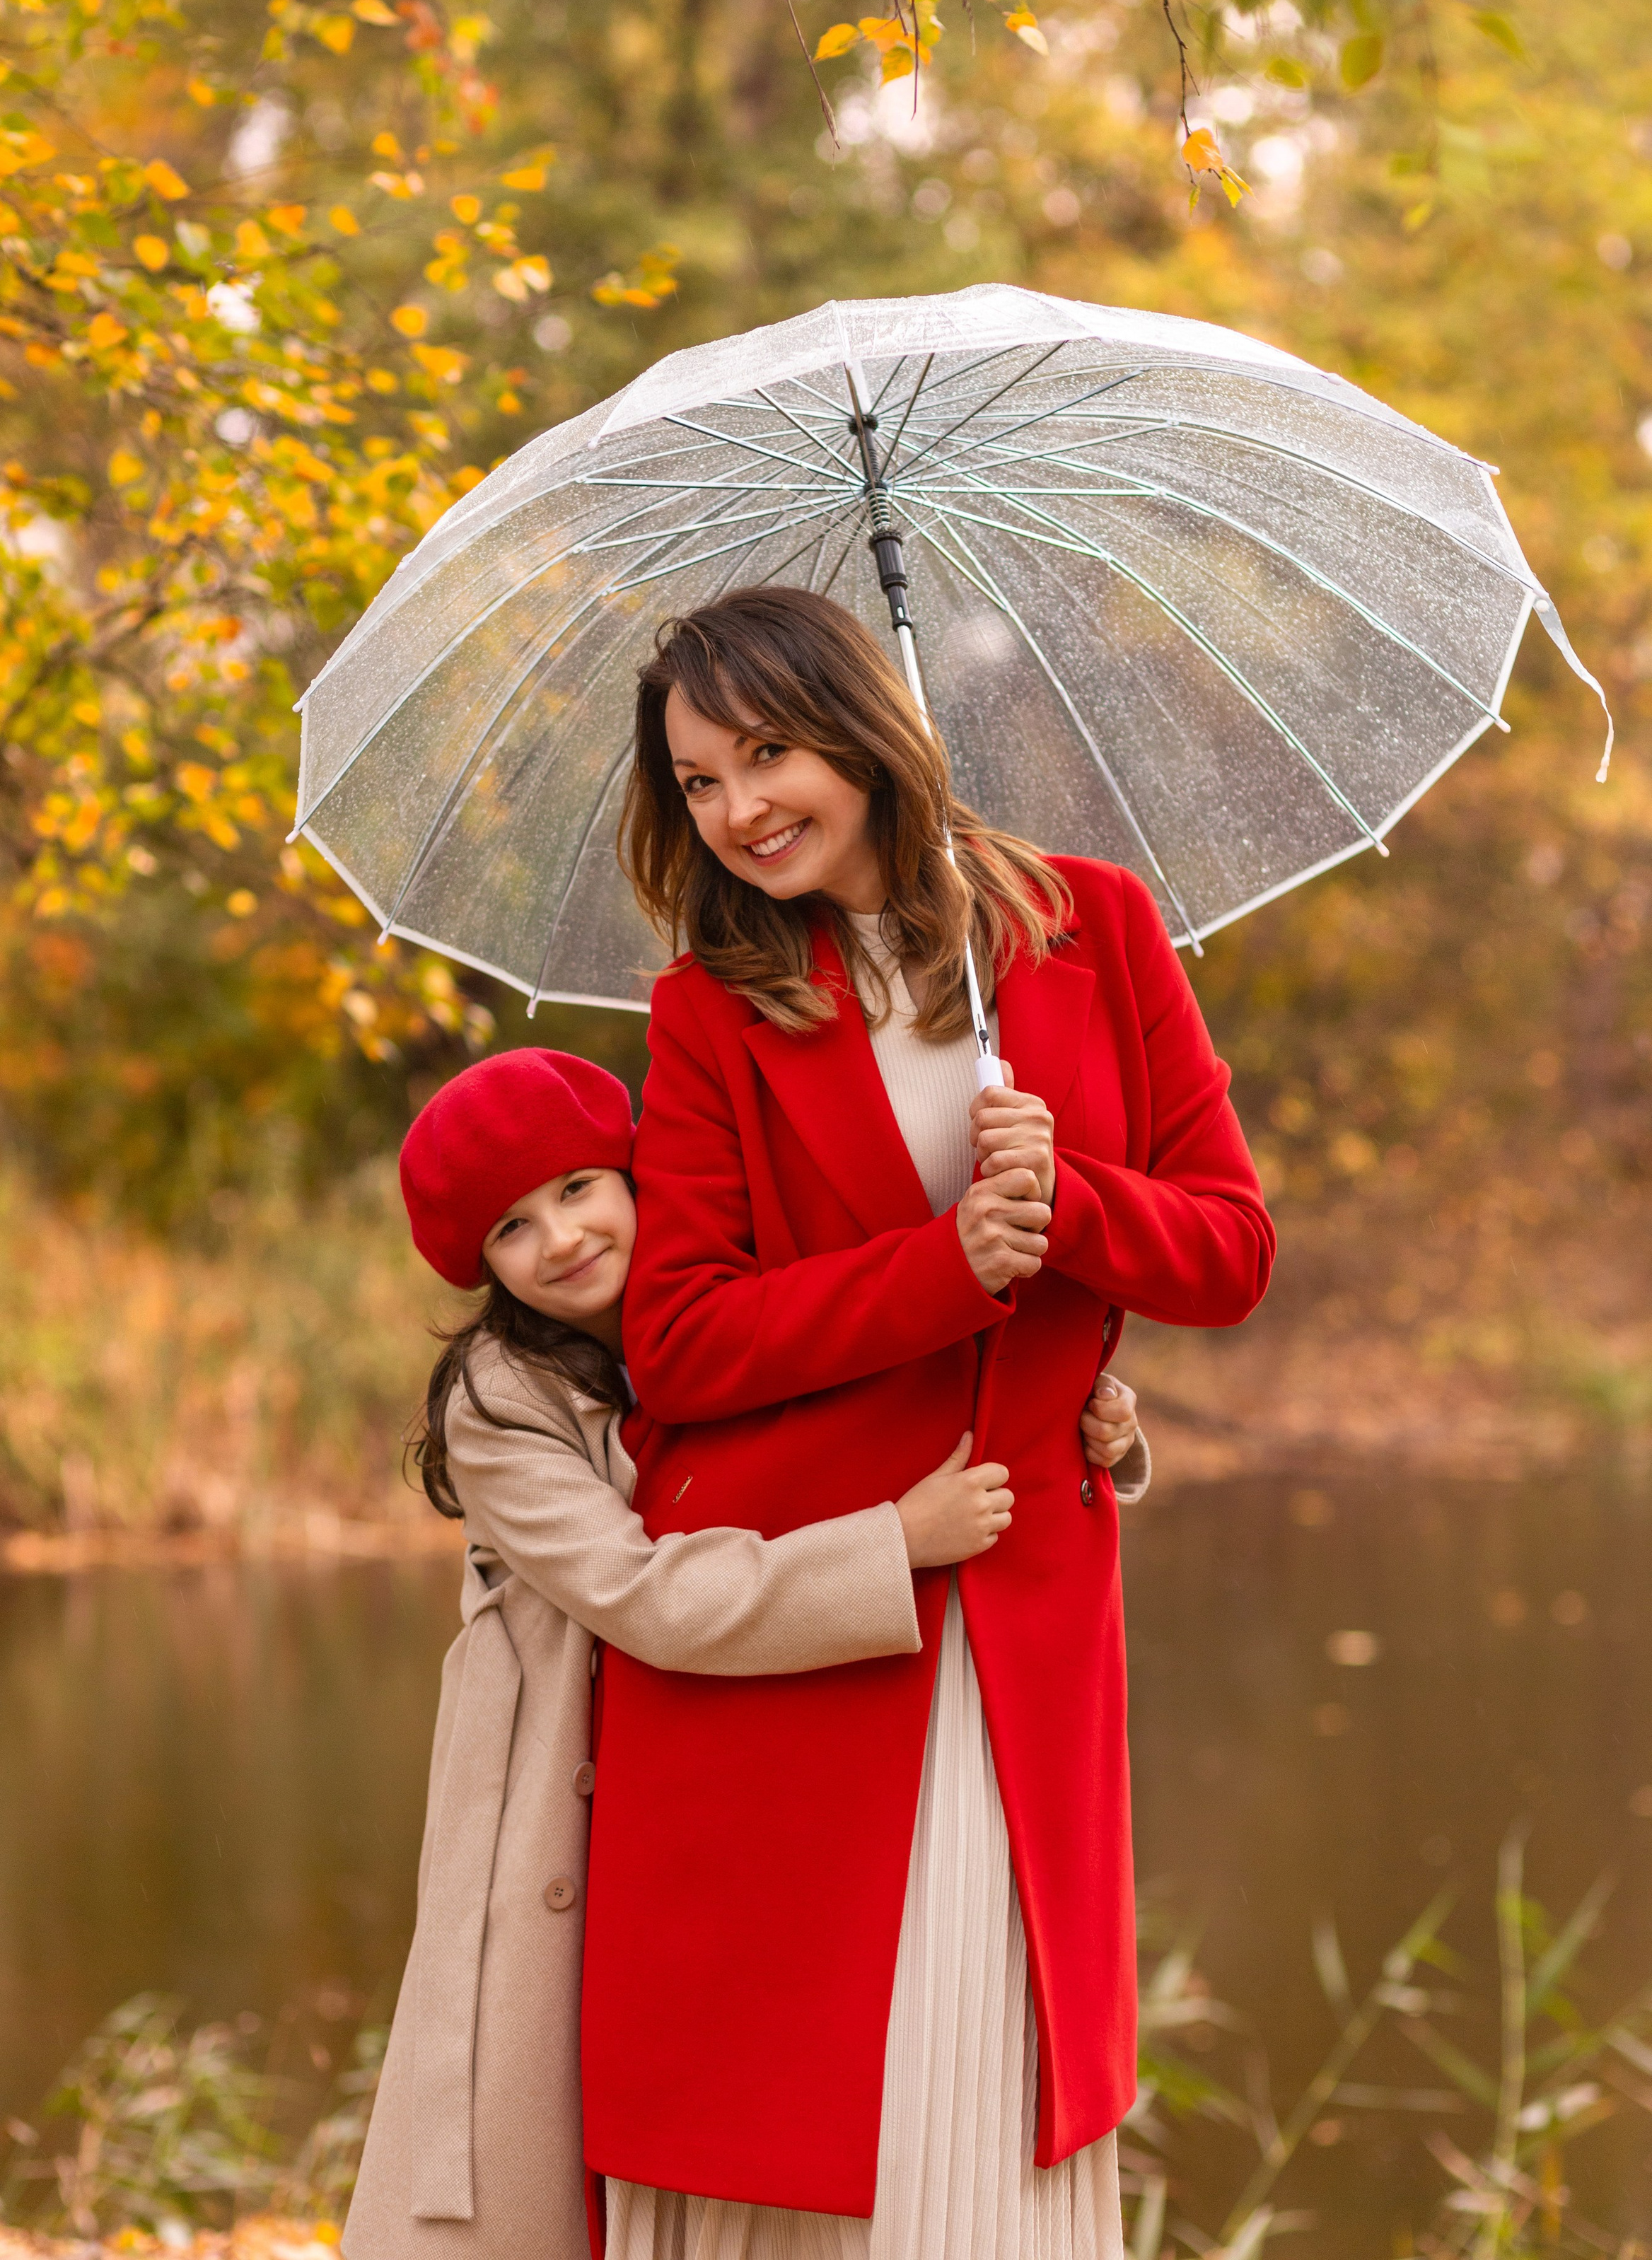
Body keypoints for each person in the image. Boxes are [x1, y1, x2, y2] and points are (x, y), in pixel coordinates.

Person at [583, 588, 1273, 2259]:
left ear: (861, 731)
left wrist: (1079, 1201)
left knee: (989, 2098)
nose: (738, 809)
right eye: (693, 783)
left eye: (765, 753)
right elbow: (675, 1341)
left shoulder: (1095, 931)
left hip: (1021, 1612)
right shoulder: (712, 1011)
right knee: (794, 2110)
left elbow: (1231, 1252)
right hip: (808, 1615)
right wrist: (941, 1263)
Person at [342, 1044, 1148, 2260]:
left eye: (576, 1190)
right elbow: (642, 1592)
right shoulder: (503, 1402)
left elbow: (892, 1395)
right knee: (540, 2151)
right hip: (562, 1804)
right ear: (483, 1269)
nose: (558, 1240)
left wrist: (1101, 1423)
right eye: (511, 1230)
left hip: (731, 1777)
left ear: (631, 1172)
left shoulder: (727, 1298)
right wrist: (893, 1546)